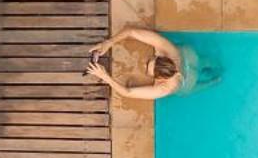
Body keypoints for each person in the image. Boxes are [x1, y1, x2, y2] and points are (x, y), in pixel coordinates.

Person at [85, 27, 218, 102]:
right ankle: (216, 68)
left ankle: (213, 82)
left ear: (160, 79)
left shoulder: (165, 88)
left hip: (188, 83)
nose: (145, 65)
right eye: (150, 60)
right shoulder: (169, 50)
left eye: (149, 71)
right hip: (190, 57)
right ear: (161, 57)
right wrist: (108, 43)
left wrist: (104, 76)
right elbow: (131, 32)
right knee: (204, 62)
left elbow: (128, 92)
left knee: (199, 87)